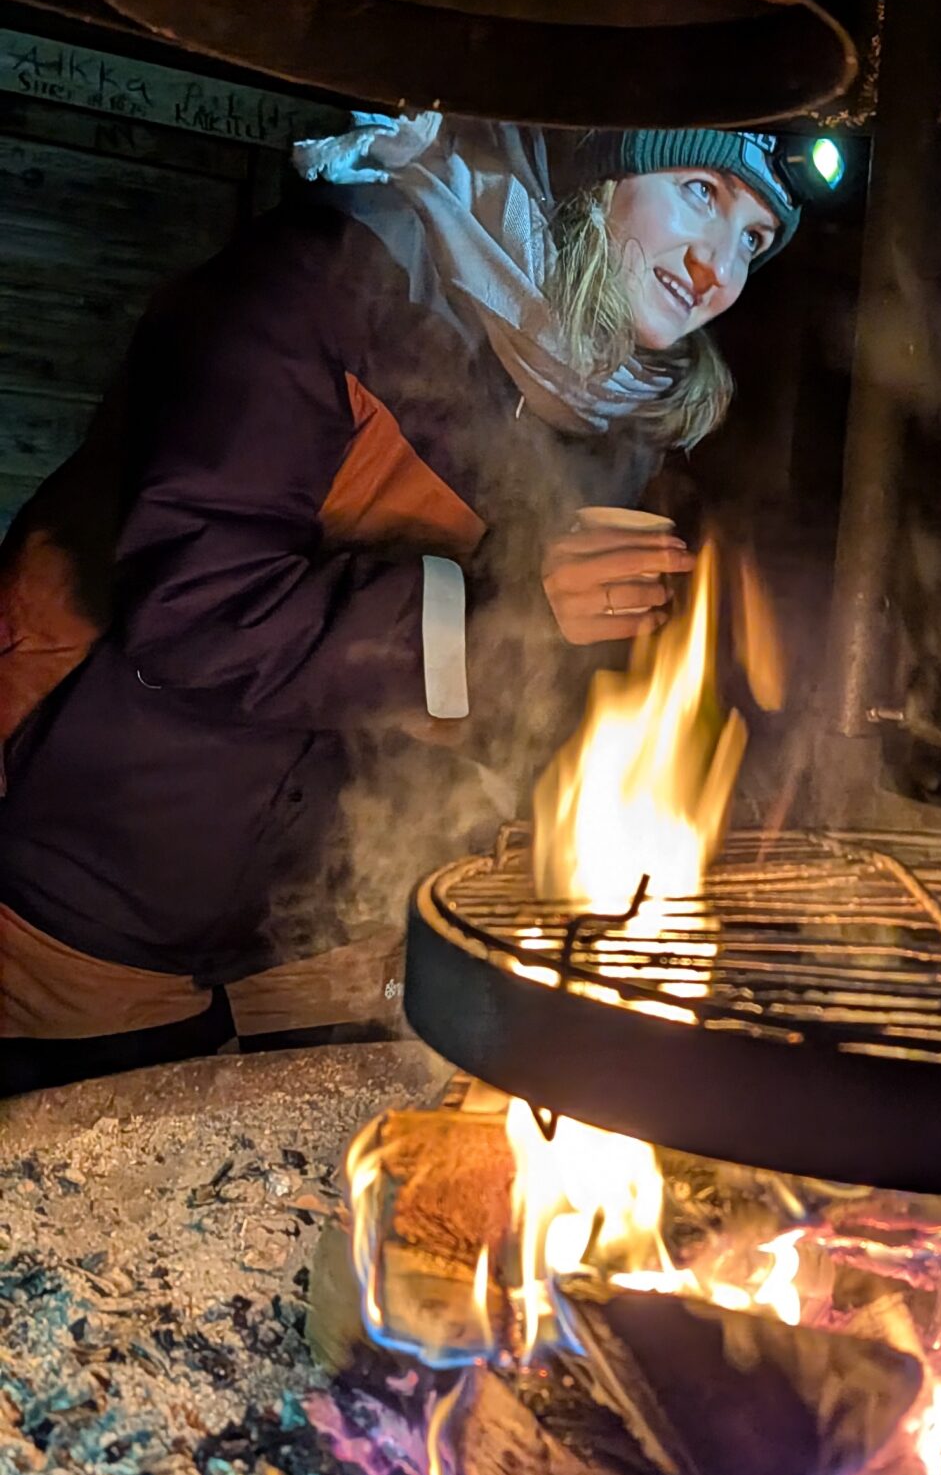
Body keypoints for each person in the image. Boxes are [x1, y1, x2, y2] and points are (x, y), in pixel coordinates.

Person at [0, 114, 797, 1095]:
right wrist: (509, 614)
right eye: (701, 193)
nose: (718, 269)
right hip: (91, 856)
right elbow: (193, 610)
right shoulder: (337, 278)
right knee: (84, 1209)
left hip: (329, 906)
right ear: (589, 174)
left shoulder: (613, 419)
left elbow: (512, 692)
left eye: (756, 238)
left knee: (324, 1207)